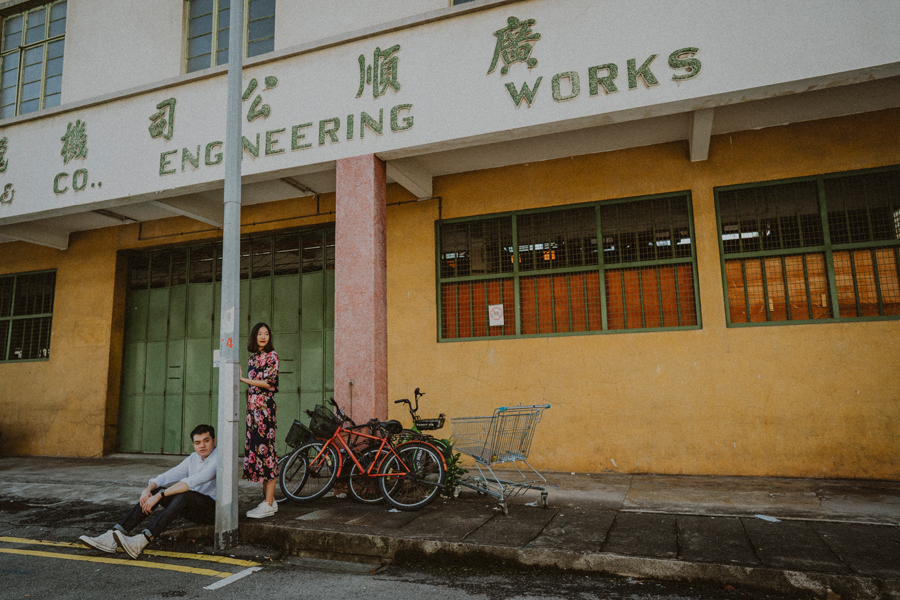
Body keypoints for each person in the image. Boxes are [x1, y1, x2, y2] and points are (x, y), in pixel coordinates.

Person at [78, 424, 217, 559]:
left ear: (214, 441)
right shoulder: (193, 458)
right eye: (197, 442)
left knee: (183, 495)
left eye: (206, 441)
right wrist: (148, 490)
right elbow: (166, 476)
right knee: (157, 489)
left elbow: (190, 483)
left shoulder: (219, 459)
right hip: (193, 507)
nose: (202, 446)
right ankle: (113, 535)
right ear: (193, 445)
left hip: (213, 511)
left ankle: (142, 540)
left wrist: (159, 496)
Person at [240, 322, 279, 518]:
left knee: (267, 452)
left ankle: (268, 503)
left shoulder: (272, 356)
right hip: (253, 409)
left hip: (264, 408)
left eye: (266, 334)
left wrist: (243, 380)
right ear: (254, 336)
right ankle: (269, 501)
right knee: (259, 451)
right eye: (260, 334)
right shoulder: (253, 357)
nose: (263, 337)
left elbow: (268, 383)